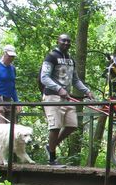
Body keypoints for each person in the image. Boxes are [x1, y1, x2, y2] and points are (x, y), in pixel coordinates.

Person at [40, 34, 94, 166]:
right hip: (52, 96)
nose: (66, 43)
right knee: (55, 126)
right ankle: (52, 159)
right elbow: (44, 77)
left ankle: (50, 146)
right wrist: (58, 89)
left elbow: (75, 80)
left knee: (72, 125)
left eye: (68, 41)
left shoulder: (70, 59)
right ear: (58, 41)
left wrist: (86, 91)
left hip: (66, 97)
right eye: (63, 40)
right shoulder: (51, 57)